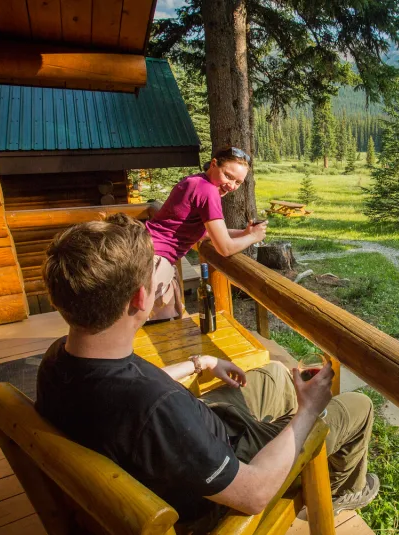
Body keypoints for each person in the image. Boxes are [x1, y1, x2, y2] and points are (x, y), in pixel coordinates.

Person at [35, 214, 379, 533]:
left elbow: (126, 393)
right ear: (141, 299)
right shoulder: (157, 409)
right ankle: (341, 491)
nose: (163, 270)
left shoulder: (58, 359)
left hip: (192, 435)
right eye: (155, 267)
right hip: (226, 480)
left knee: (274, 373)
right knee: (358, 407)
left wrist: (199, 364)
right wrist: (308, 412)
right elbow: (254, 493)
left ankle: (282, 419)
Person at [145, 145, 268, 320]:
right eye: (228, 176)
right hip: (154, 262)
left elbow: (206, 233)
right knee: (160, 329)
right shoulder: (208, 191)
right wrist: (254, 237)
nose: (231, 186)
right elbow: (225, 248)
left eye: (238, 182)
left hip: (145, 252)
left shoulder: (194, 181)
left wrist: (244, 233)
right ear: (214, 164)